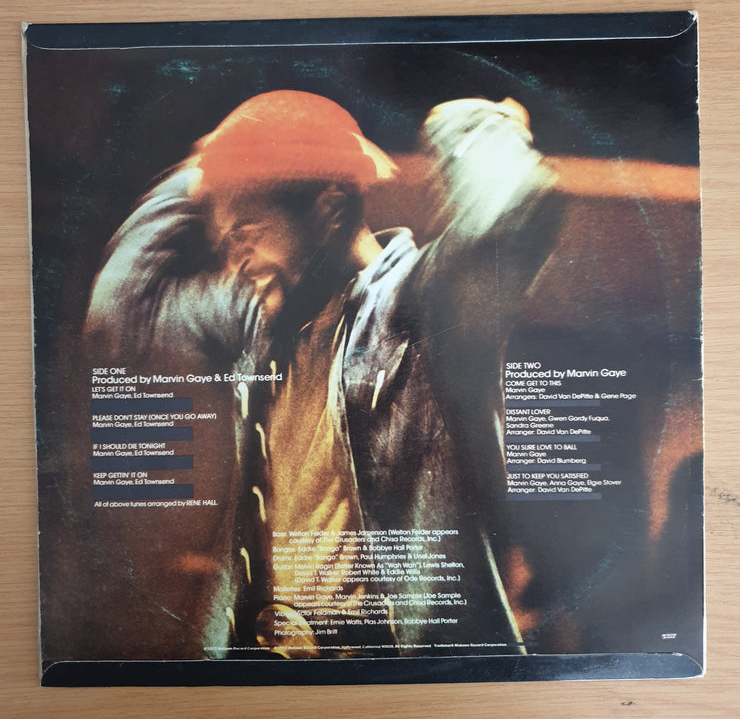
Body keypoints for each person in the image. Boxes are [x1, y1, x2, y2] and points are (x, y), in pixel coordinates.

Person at [85, 89, 559, 660]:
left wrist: (467, 124)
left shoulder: (421, 307)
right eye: (224, 243)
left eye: (245, 233)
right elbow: (122, 309)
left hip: (400, 681)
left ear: (329, 207)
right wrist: (206, 169)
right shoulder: (259, 324)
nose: (233, 260)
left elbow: (516, 207)